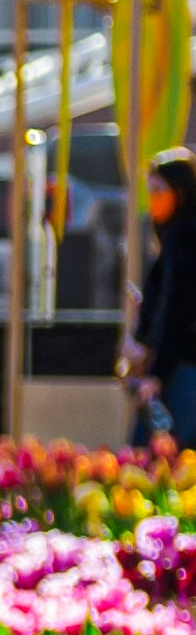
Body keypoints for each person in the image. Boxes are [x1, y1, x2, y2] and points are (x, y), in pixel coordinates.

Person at [134, 149, 196, 448]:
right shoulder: (176, 235)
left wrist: (156, 375)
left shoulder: (183, 238)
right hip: (179, 366)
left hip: (183, 370)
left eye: (159, 190)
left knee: (161, 458)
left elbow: (178, 311)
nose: (152, 199)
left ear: (180, 193)